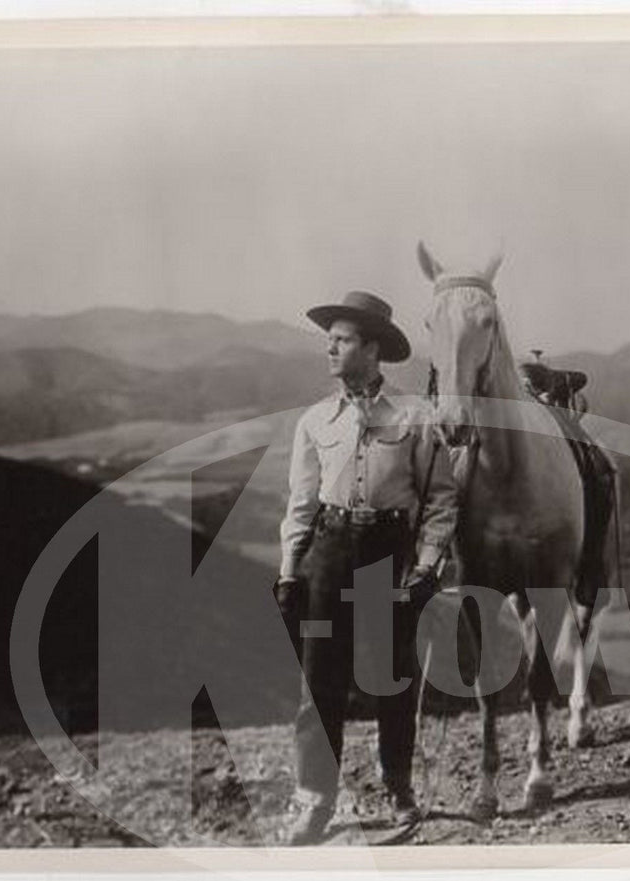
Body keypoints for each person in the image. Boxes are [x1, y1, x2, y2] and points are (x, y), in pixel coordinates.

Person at [274, 290, 458, 846]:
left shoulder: (415, 417)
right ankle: (315, 801)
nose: (330, 346)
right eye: (329, 338)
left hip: (388, 554)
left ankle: (398, 789)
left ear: (373, 348)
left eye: (343, 338)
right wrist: (288, 572)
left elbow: (442, 500)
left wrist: (426, 567)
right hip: (327, 555)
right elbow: (301, 504)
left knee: (392, 678)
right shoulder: (314, 421)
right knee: (319, 681)